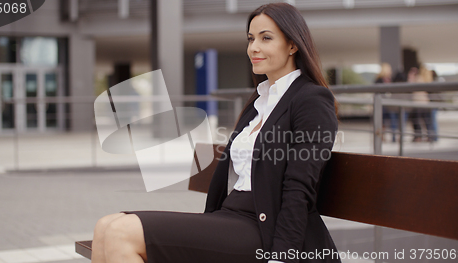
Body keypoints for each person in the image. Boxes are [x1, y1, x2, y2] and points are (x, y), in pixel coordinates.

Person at [91, 3, 341, 263]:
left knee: (121, 232)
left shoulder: (311, 99)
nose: (253, 47)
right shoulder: (260, 100)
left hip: (264, 232)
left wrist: (282, 256)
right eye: (251, 38)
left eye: (266, 38)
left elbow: (299, 188)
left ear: (293, 45)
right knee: (105, 227)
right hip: (230, 217)